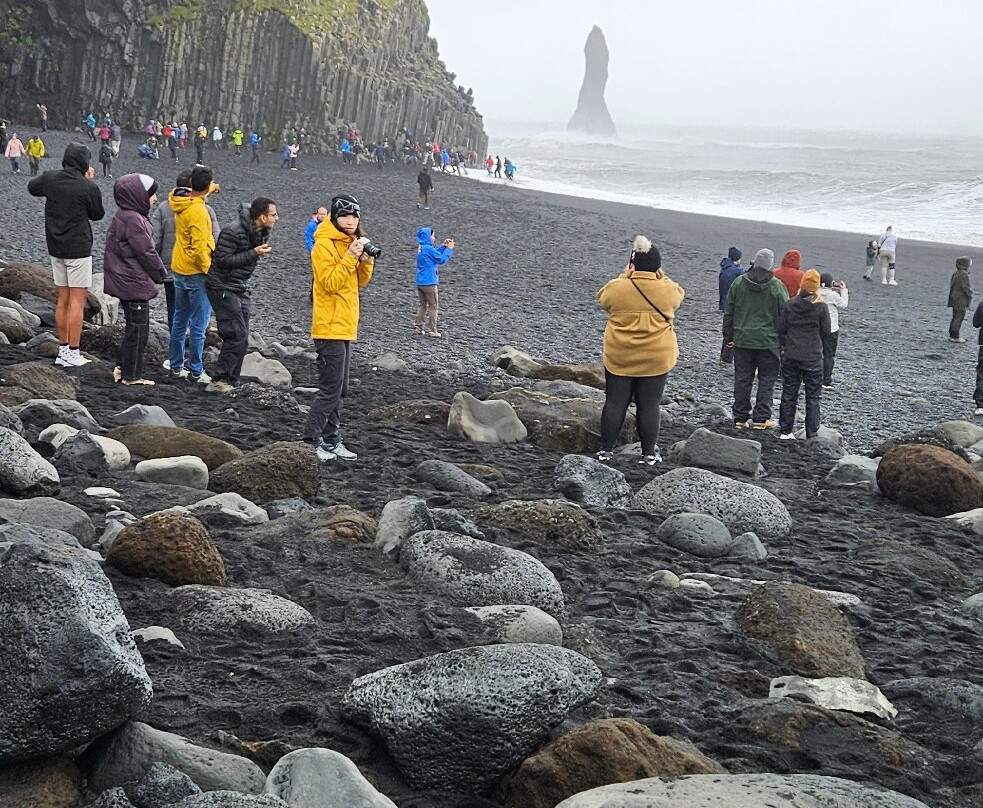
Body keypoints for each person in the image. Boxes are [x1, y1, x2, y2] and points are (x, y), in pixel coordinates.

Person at [595, 236, 685, 465]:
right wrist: (660, 275)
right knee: (650, 404)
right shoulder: (668, 290)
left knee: (615, 402)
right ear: (657, 267)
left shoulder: (618, 287)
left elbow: (603, 298)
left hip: (621, 354)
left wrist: (624, 276)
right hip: (656, 356)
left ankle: (606, 450)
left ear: (632, 265)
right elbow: (679, 294)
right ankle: (648, 454)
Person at [302, 194, 375, 462]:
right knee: (330, 389)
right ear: (334, 216)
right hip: (328, 326)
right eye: (345, 215)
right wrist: (348, 256)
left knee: (340, 389)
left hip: (345, 325)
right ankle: (311, 440)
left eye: (355, 216)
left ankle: (332, 440)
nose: (351, 221)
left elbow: (358, 283)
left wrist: (364, 259)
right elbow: (329, 282)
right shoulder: (323, 245)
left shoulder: (351, 243)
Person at [28, 143, 105, 367]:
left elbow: (33, 187)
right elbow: (97, 214)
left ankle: (63, 349)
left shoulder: (51, 179)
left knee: (62, 299)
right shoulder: (87, 187)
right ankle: (72, 352)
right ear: (84, 162)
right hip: (78, 249)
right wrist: (88, 181)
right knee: (77, 302)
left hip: (56, 247)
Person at [205, 197, 277, 394]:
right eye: (273, 215)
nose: (276, 218)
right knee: (235, 334)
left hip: (238, 286)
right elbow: (222, 260)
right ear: (262, 217)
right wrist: (254, 253)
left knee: (243, 337)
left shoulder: (260, 231)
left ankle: (232, 380)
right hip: (221, 286)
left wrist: (254, 252)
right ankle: (219, 379)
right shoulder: (233, 231)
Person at [103, 174, 167, 386]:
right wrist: (161, 274)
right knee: (138, 330)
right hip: (133, 282)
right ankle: (131, 376)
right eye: (152, 195)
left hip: (126, 280)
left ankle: (123, 368)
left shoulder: (125, 215)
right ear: (138, 195)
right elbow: (146, 252)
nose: (155, 199)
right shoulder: (134, 219)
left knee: (135, 327)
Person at [722, 248, 788, 429]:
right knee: (767, 379)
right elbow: (785, 316)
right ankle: (761, 418)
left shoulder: (739, 283)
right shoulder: (777, 287)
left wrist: (728, 336)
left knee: (743, 378)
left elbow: (729, 312)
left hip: (743, 339)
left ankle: (740, 417)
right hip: (768, 341)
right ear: (770, 266)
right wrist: (784, 341)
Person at [151, 169, 221, 334]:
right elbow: (216, 239)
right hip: (197, 268)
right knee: (198, 312)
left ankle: (174, 352)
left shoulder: (163, 207)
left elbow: (154, 240)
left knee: (175, 312)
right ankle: (195, 350)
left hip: (172, 267)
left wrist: (155, 266)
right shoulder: (205, 209)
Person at [167, 164, 216, 383]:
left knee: (179, 319)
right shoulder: (198, 211)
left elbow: (195, 192)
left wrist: (211, 187)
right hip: (196, 272)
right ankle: (196, 369)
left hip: (179, 268)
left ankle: (176, 364)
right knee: (199, 324)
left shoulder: (181, 200)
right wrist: (209, 270)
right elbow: (199, 247)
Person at [778, 269, 831, 440]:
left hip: (792, 354)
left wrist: (785, 345)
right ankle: (812, 434)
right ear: (816, 288)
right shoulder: (821, 307)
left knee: (789, 393)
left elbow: (782, 329)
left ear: (802, 286)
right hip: (812, 357)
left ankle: (785, 431)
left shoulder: (790, 304)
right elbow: (827, 332)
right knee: (813, 397)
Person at [413, 227, 454, 337]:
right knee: (433, 306)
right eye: (433, 235)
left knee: (422, 305)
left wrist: (443, 247)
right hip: (429, 281)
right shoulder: (428, 249)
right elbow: (441, 259)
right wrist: (449, 249)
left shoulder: (422, 247)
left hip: (420, 281)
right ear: (428, 237)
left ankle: (418, 326)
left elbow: (434, 255)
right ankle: (432, 329)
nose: (434, 238)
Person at [818, 273, 848, 388]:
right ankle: (826, 380)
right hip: (831, 328)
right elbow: (843, 304)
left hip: (817, 326)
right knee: (829, 355)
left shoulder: (816, 293)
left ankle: (812, 376)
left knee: (816, 353)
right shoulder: (833, 295)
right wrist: (843, 290)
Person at [717, 246, 744, 364]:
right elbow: (747, 276)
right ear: (737, 259)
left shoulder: (724, 268)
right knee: (732, 331)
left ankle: (724, 356)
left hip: (725, 303)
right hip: (733, 304)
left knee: (727, 329)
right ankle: (727, 357)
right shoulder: (736, 271)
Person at [948, 256, 973, 343]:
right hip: (960, 299)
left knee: (955, 317)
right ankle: (955, 336)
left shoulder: (956, 273)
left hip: (954, 298)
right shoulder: (964, 274)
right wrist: (970, 294)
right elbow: (965, 287)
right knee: (959, 317)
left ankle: (952, 335)